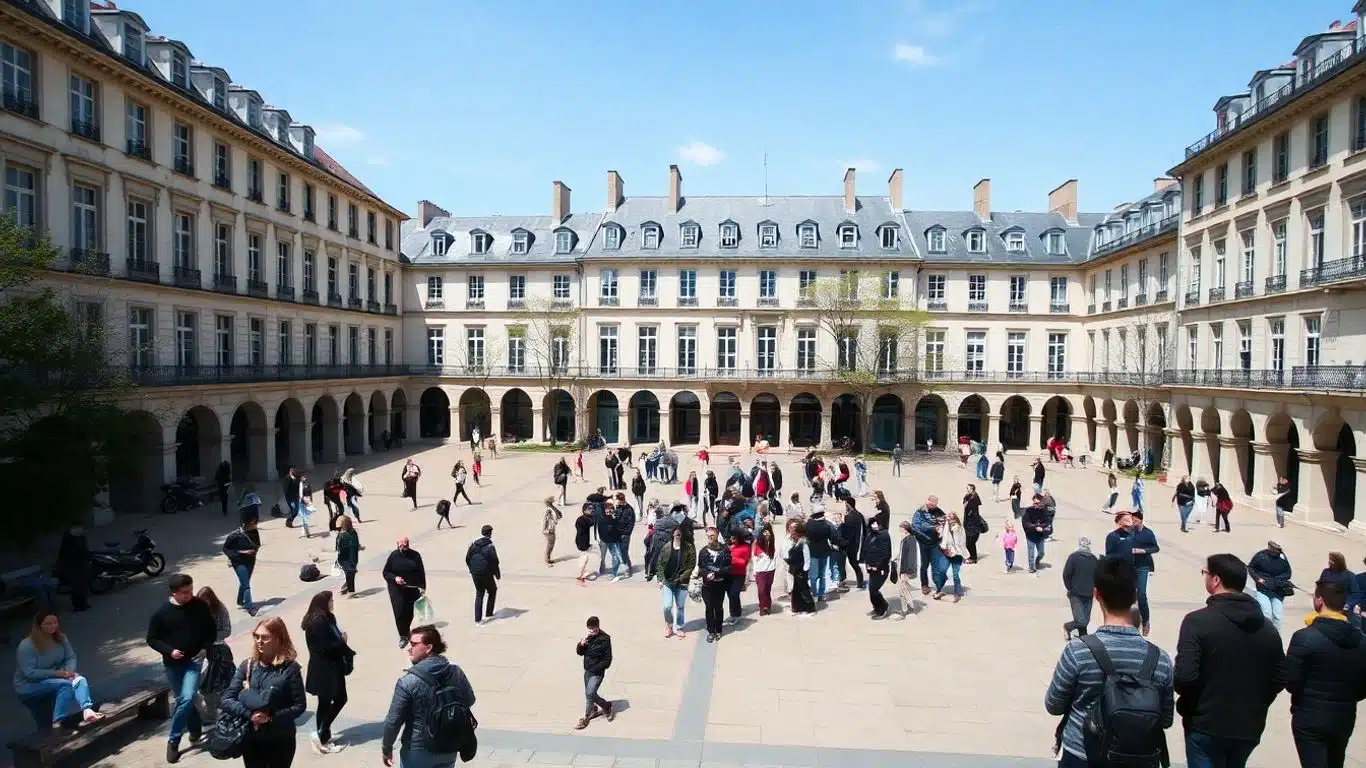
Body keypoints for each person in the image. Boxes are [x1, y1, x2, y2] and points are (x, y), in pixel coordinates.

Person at [1044, 556, 1175, 768]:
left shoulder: (1078, 651)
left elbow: (1053, 705)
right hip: (1137, 758)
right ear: (1134, 596)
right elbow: (1166, 720)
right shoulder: (1160, 659)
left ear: (1097, 594)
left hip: (1082, 753)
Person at [1173, 553, 1286, 768]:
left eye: (1205, 573)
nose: (1204, 577)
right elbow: (1280, 677)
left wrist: (1193, 706)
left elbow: (1184, 677)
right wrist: (1257, 703)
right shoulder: (1267, 629)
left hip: (1205, 725)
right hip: (1247, 726)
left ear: (1216, 580)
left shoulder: (1197, 622)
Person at [1285, 579, 1366, 768]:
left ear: (1319, 601)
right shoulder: (1361, 641)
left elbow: (1291, 682)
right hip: (1344, 715)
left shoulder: (1305, 637)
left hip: (1309, 715)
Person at [381, 625, 476, 768]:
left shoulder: (407, 682)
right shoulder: (456, 672)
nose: (409, 648)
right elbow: (469, 701)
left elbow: (393, 721)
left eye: (413, 644)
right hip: (448, 747)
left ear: (428, 648)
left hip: (417, 751)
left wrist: (386, 747)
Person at [147, 574, 217, 763]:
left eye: (191, 591)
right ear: (174, 593)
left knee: (185, 698)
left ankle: (173, 740)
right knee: (183, 702)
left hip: (194, 661)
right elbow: (152, 639)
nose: (190, 595)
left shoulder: (199, 606)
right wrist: (170, 651)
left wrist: (204, 648)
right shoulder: (162, 614)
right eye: (185, 592)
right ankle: (194, 728)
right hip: (173, 664)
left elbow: (211, 630)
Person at [219, 617, 305, 768]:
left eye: (265, 637)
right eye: (256, 636)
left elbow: (299, 705)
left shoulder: (290, 669)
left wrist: (271, 717)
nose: (259, 641)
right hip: (252, 738)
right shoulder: (248, 666)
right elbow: (227, 699)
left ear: (278, 639)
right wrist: (249, 715)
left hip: (281, 739)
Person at [13, 612, 104, 727]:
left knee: (79, 679)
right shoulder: (26, 646)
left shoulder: (61, 638)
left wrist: (69, 672)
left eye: (55, 622)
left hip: (54, 679)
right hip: (29, 685)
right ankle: (57, 722)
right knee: (61, 690)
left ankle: (87, 709)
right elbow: (29, 673)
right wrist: (58, 673)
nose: (52, 626)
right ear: (39, 625)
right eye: (48, 623)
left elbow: (70, 657)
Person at [302, 591, 356, 755]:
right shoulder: (317, 622)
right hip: (325, 668)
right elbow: (325, 646)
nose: (332, 603)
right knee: (340, 699)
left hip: (331, 666)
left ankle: (323, 737)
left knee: (324, 703)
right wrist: (343, 642)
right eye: (331, 601)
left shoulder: (327, 618)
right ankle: (320, 733)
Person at [196, 587, 233, 721]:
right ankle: (211, 713)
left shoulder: (220, 610)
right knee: (205, 685)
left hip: (218, 651)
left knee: (220, 683)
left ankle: (223, 710)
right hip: (201, 652)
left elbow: (227, 630)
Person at [383, 537, 427, 648]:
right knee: (399, 612)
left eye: (406, 545)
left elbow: (421, 572)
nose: (404, 547)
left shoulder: (415, 556)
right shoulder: (394, 556)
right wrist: (395, 578)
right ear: (398, 545)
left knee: (409, 612)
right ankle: (403, 635)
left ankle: (406, 630)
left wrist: (422, 586)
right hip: (397, 590)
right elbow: (386, 572)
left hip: (412, 588)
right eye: (402, 545)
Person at [655, 523, 694, 637]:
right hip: (668, 582)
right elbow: (660, 564)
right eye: (676, 532)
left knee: (680, 606)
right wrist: (660, 578)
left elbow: (691, 565)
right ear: (672, 534)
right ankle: (669, 624)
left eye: (679, 533)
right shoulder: (667, 547)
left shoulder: (688, 548)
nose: (677, 534)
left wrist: (681, 578)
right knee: (667, 606)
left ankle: (679, 627)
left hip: (682, 582)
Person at [575, 616, 614, 729]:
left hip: (597, 672)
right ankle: (593, 709)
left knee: (590, 694)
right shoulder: (587, 638)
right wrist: (581, 645)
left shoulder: (605, 639)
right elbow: (579, 653)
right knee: (589, 694)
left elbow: (608, 660)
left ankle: (586, 717)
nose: (592, 632)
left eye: (594, 630)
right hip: (587, 670)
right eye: (590, 630)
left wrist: (597, 668)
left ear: (598, 627)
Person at [1248, 541, 1292, 631]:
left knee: (1277, 616)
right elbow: (1251, 567)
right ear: (1270, 549)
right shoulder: (1260, 556)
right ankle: (1266, 635)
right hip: (1263, 589)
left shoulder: (1282, 558)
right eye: (1276, 551)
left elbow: (1288, 573)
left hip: (1278, 591)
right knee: (1267, 614)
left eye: (1279, 551)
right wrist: (1257, 579)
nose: (1278, 552)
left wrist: (1278, 580)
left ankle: (1276, 637)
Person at [698, 526, 731, 642]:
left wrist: (716, 574)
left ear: (717, 535)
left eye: (712, 535)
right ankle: (711, 630)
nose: (710, 538)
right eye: (708, 536)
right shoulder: (703, 551)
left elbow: (728, 568)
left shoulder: (725, 550)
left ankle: (719, 629)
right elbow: (701, 568)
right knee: (709, 607)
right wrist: (706, 574)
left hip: (720, 584)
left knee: (718, 608)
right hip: (707, 585)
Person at [1130, 510, 1160, 637]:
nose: (1133, 522)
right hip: (1130, 566)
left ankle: (1146, 621)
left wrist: (1143, 550)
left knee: (1141, 594)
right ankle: (1131, 623)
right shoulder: (1130, 532)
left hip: (1143, 566)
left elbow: (1156, 548)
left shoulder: (1148, 533)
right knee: (1130, 595)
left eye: (1135, 520)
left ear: (1141, 520)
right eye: (1132, 520)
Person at [1061, 538, 1098, 639]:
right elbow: (1066, 574)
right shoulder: (1073, 557)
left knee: (1085, 619)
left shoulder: (1093, 559)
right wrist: (1070, 588)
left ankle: (1083, 637)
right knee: (1081, 620)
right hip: (1076, 594)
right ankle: (1068, 627)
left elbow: (1097, 575)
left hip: (1089, 594)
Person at [224, 518, 261, 616]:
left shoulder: (254, 532)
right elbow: (226, 549)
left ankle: (240, 601)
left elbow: (257, 544)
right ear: (246, 524)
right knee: (246, 585)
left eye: (255, 523)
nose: (255, 526)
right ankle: (250, 607)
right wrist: (243, 552)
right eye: (252, 524)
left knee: (245, 581)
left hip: (250, 561)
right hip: (238, 562)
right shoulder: (235, 535)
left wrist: (255, 550)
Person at [465, 525, 501, 625]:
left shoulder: (473, 544)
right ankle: (489, 613)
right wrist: (497, 574)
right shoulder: (490, 546)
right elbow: (494, 561)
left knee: (479, 593)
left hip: (475, 573)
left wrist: (472, 569)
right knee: (492, 590)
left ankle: (478, 620)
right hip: (486, 573)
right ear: (490, 533)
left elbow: (467, 558)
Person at [911, 497, 945, 594]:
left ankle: (938, 584)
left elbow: (944, 522)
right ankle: (924, 585)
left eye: (935, 505)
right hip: (924, 543)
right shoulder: (920, 512)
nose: (933, 507)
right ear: (927, 502)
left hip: (935, 543)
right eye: (931, 505)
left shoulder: (939, 512)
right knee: (924, 564)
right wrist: (933, 528)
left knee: (935, 564)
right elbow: (916, 526)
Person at [54, 523, 91, 612]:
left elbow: (84, 549)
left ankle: (83, 603)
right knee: (76, 585)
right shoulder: (68, 538)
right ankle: (78, 605)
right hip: (71, 565)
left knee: (83, 584)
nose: (80, 530)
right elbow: (65, 553)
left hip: (81, 564)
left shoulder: (81, 537)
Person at [933, 511, 967, 602]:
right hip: (946, 552)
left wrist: (959, 553)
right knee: (941, 570)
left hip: (957, 554)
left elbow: (962, 542)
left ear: (956, 518)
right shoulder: (945, 527)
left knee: (955, 574)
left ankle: (957, 592)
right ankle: (939, 589)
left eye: (952, 518)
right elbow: (940, 536)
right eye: (948, 518)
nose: (950, 520)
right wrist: (939, 528)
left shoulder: (959, 528)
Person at [863, 517, 892, 619]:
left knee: (874, 590)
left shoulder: (884, 535)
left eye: (876, 523)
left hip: (880, 569)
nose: (874, 525)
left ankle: (883, 608)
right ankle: (877, 607)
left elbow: (886, 554)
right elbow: (866, 549)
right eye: (872, 524)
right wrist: (867, 564)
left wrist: (877, 566)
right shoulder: (870, 535)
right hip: (871, 567)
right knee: (871, 590)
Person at [785, 520, 815, 618]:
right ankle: (800, 608)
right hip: (796, 570)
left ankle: (810, 609)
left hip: (801, 571)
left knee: (804, 590)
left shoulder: (804, 543)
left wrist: (805, 571)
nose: (791, 532)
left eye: (793, 530)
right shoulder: (796, 542)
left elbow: (807, 558)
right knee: (797, 590)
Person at [837, 500, 866, 590]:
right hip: (857, 542)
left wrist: (841, 525)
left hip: (851, 544)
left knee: (849, 562)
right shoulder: (859, 514)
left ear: (848, 505)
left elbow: (848, 532)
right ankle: (859, 582)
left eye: (845, 504)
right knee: (853, 563)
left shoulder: (849, 516)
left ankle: (843, 581)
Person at [725, 531, 752, 625]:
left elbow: (743, 562)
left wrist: (731, 558)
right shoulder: (730, 547)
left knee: (734, 594)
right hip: (729, 574)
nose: (732, 540)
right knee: (730, 595)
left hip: (739, 574)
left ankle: (737, 614)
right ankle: (733, 613)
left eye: (734, 538)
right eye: (731, 538)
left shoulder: (745, 547)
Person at [751, 524, 777, 617]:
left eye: (768, 533)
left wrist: (774, 566)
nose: (766, 535)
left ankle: (768, 605)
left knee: (767, 590)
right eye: (765, 533)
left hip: (770, 571)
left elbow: (774, 557)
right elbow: (754, 559)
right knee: (761, 590)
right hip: (760, 571)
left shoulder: (772, 545)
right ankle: (763, 607)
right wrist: (754, 571)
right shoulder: (757, 545)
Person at [1021, 493, 1051, 573]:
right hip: (1030, 535)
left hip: (1040, 535)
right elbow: (1025, 523)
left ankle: (1037, 561)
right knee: (1031, 552)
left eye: (1037, 503)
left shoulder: (1044, 511)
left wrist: (1042, 528)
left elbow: (1047, 522)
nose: (1035, 504)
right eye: (1034, 502)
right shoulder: (1028, 510)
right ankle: (1031, 567)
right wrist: (1035, 527)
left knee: (1041, 553)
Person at [335, 516, 361, 596]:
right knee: (350, 574)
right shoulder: (342, 535)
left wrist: (358, 546)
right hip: (345, 558)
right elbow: (339, 548)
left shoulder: (352, 532)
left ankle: (345, 588)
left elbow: (355, 543)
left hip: (353, 557)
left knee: (350, 574)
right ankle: (351, 592)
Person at [962, 485, 987, 564]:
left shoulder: (975, 497)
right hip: (968, 522)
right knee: (968, 542)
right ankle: (969, 556)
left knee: (971, 542)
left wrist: (970, 514)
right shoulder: (968, 496)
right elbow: (964, 503)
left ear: (972, 489)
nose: (967, 489)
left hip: (973, 524)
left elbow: (973, 509)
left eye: (968, 488)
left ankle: (973, 558)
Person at [574, 504, 595, 584]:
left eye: (592, 509)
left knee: (585, 558)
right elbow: (582, 529)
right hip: (583, 542)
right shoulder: (582, 520)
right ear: (585, 510)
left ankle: (582, 573)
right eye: (590, 509)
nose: (591, 510)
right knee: (584, 558)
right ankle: (581, 575)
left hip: (584, 541)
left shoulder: (586, 518)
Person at [542, 497, 562, 567]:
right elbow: (545, 520)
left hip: (551, 528)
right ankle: (547, 560)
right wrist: (545, 529)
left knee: (551, 544)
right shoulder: (548, 510)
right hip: (549, 530)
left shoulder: (552, 508)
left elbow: (559, 515)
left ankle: (548, 558)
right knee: (550, 545)